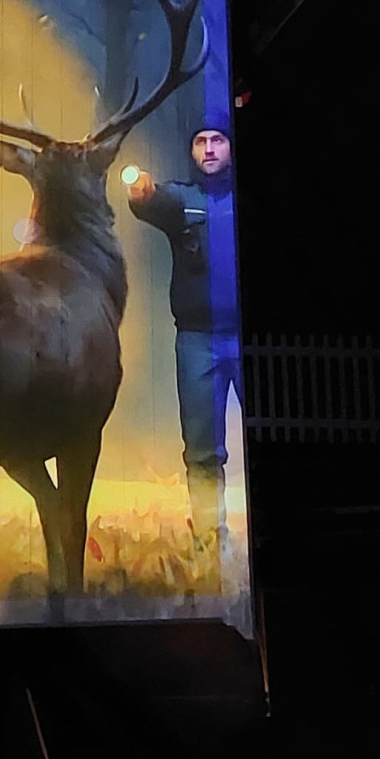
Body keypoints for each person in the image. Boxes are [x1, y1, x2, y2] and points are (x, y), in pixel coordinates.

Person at [126, 116, 242, 564]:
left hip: (247, 340)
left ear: (230, 146)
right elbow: (151, 200)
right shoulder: (182, 200)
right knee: (202, 452)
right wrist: (140, 189)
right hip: (197, 342)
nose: (209, 148)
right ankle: (210, 543)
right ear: (191, 151)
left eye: (218, 140)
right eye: (200, 141)